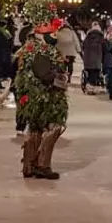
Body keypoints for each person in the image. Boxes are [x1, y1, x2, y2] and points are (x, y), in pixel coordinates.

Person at [15, 22, 69, 179]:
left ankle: (29, 166)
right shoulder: (41, 51)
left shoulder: (32, 49)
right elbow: (45, 75)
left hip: (35, 97)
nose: (55, 37)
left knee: (36, 128)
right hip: (44, 96)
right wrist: (61, 78)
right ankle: (42, 164)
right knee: (55, 127)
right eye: (52, 34)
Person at [54, 19, 82, 86]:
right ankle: (69, 77)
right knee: (70, 65)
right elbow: (76, 41)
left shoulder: (58, 32)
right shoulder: (72, 32)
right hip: (70, 52)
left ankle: (62, 78)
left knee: (62, 65)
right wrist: (79, 50)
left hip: (61, 52)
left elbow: (55, 41)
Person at [81, 21, 104, 95]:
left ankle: (89, 87)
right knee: (96, 74)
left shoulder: (88, 36)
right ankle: (94, 88)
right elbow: (104, 49)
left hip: (88, 59)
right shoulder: (101, 37)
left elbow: (83, 46)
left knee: (89, 74)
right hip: (97, 60)